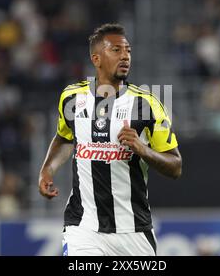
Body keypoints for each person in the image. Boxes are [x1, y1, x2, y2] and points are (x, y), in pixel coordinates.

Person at [39, 23, 182, 256]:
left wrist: (143, 150)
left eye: (128, 50)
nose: (125, 56)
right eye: (116, 50)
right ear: (96, 59)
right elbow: (65, 138)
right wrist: (47, 169)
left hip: (133, 230)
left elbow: (175, 167)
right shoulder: (72, 98)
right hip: (83, 227)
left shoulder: (147, 105)